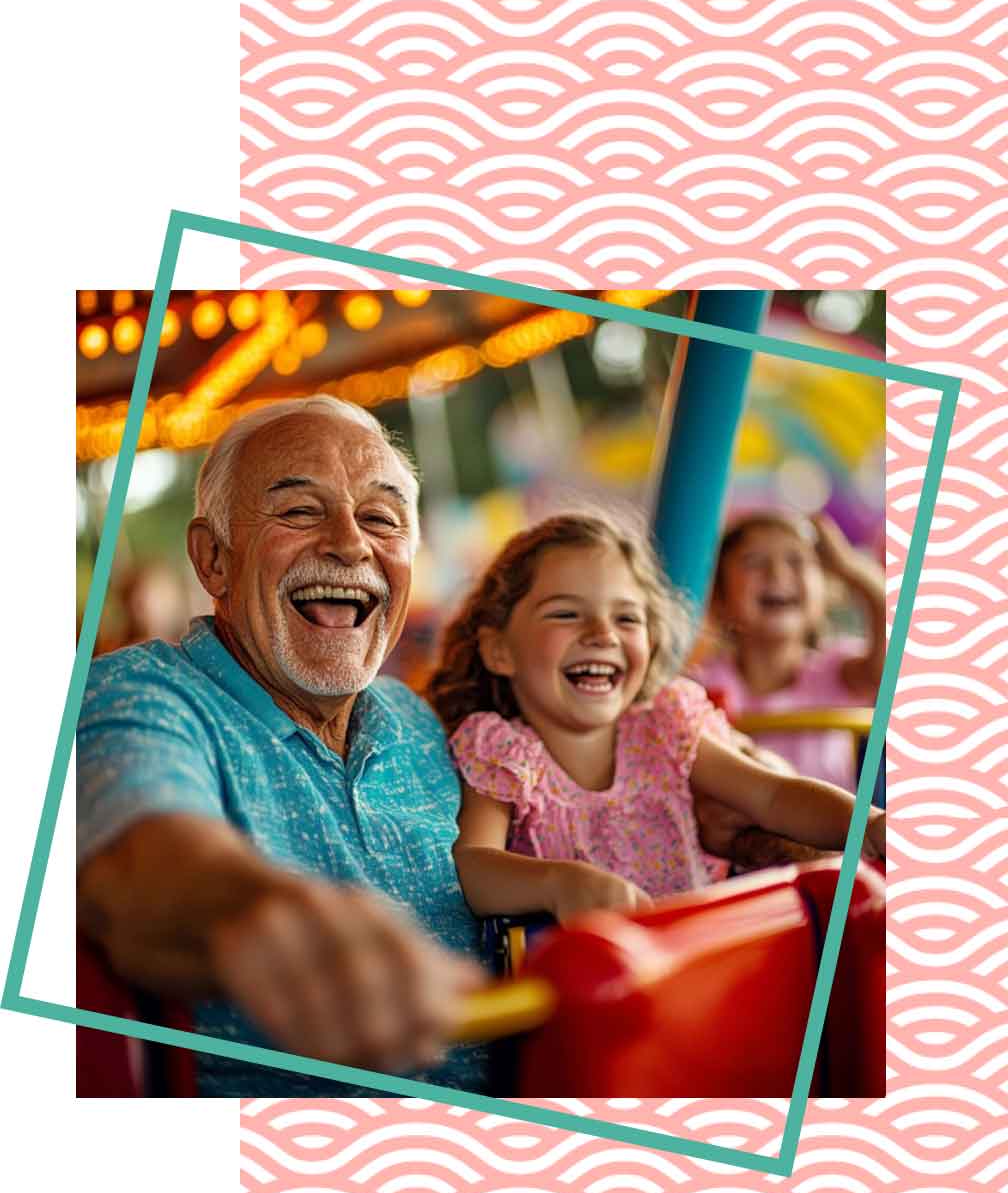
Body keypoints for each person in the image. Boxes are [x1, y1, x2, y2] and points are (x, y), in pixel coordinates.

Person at [77, 397, 485, 1097]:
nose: (351, 544)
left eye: (382, 519)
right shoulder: (137, 692)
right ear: (213, 558)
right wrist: (254, 912)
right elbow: (142, 853)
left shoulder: (416, 719)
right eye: (299, 512)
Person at [425, 512, 884, 925]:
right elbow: (474, 863)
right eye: (566, 613)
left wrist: (865, 823)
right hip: (605, 989)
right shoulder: (502, 752)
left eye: (627, 618)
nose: (602, 634)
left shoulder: (665, 726)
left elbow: (771, 795)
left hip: (703, 959)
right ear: (499, 649)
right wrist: (559, 883)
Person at [693, 509, 886, 789]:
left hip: (827, 832)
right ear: (719, 598)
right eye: (754, 562)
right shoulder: (701, 686)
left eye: (796, 561)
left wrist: (851, 568)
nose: (777, 573)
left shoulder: (836, 671)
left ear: (825, 593)